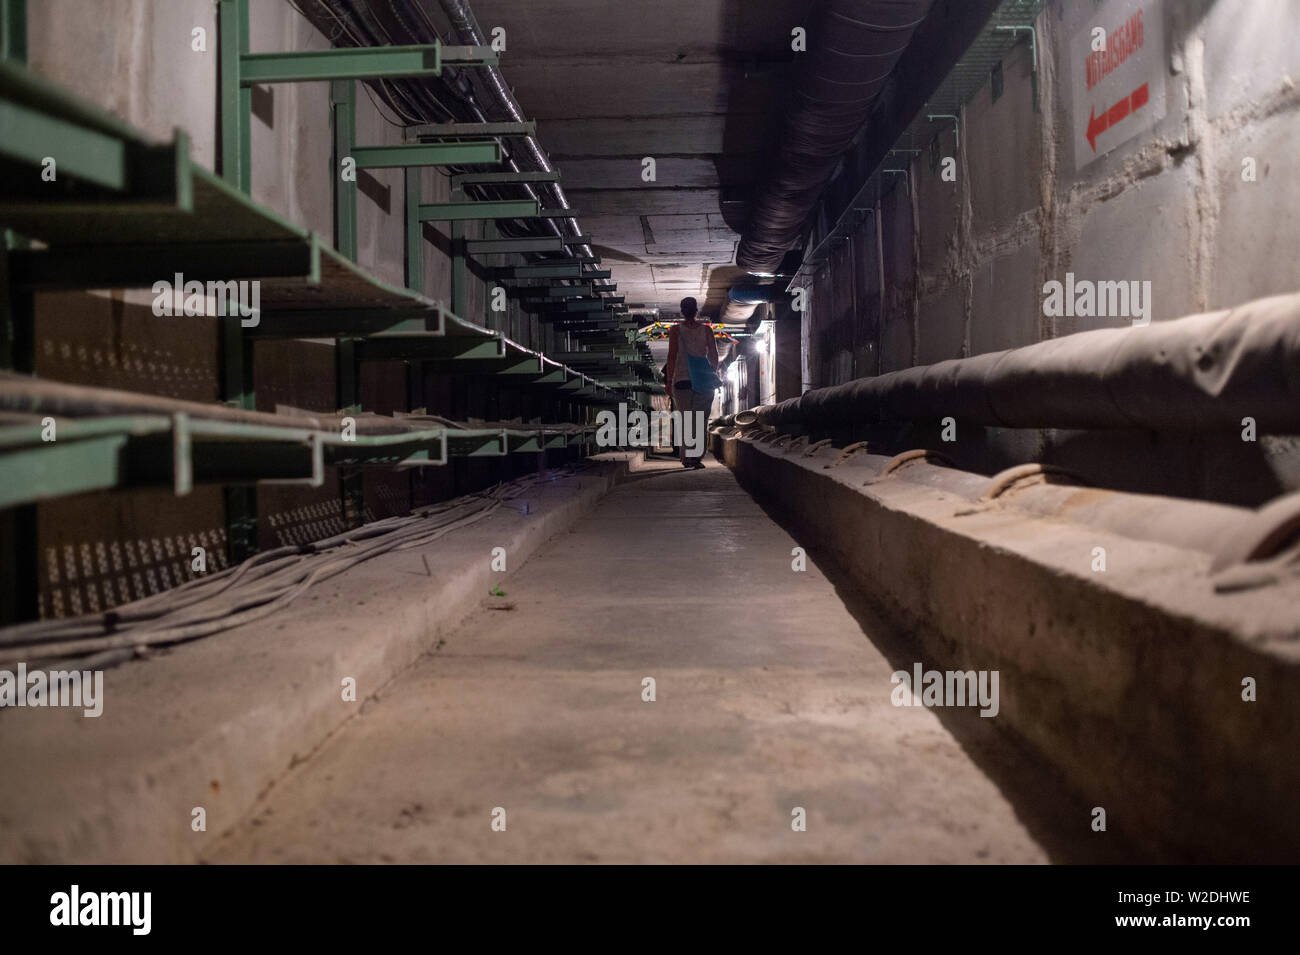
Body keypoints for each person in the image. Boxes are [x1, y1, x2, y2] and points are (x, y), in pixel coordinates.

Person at [663, 296, 720, 469]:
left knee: (686, 420)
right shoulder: (706, 330)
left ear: (682, 311)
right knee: (700, 421)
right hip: (703, 381)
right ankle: (696, 458)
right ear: (697, 310)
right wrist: (710, 373)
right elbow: (714, 357)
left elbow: (672, 357)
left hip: (682, 380)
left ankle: (687, 457)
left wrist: (668, 380)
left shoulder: (676, 330)